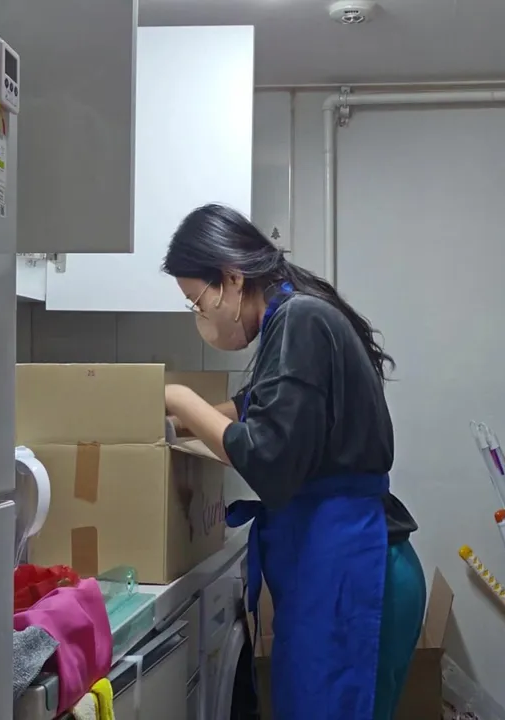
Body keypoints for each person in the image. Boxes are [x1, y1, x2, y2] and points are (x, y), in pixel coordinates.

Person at [162, 204, 425, 720]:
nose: (200, 316)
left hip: (355, 572)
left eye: (197, 301)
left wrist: (180, 399)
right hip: (336, 562)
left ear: (231, 279)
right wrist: (181, 422)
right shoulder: (295, 316)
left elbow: (268, 459)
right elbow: (256, 409)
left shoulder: (299, 318)